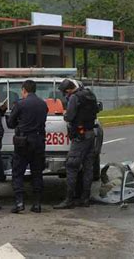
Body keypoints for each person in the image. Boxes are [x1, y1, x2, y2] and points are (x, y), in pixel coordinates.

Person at [54, 79, 99, 209]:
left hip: (80, 136)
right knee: (88, 167)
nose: (65, 95)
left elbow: (69, 116)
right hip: (90, 134)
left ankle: (69, 199)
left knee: (72, 166)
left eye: (64, 93)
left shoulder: (74, 98)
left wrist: (65, 114)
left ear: (68, 90)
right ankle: (85, 198)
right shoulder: (89, 94)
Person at [7, 80, 48, 214]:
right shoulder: (43, 104)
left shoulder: (20, 104)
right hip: (38, 141)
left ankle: (19, 202)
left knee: (18, 172)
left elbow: (10, 123)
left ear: (24, 90)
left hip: (23, 141)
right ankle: (37, 204)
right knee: (37, 172)